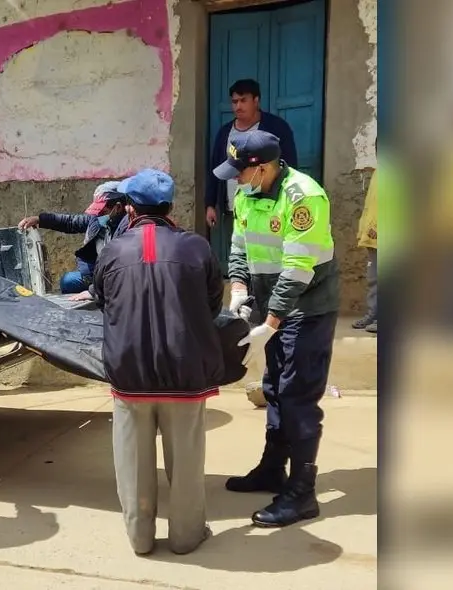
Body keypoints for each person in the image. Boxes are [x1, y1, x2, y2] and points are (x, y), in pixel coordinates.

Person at [93, 168, 223, 555]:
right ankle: (185, 537)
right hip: (185, 375)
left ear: (130, 209)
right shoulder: (196, 247)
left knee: (132, 466)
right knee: (186, 464)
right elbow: (212, 304)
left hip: (130, 376)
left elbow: (102, 301)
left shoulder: (113, 250)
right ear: (170, 206)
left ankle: (140, 538)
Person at [213, 130, 340, 528]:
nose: (235, 179)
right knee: (274, 389)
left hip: (308, 308)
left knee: (297, 395)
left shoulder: (304, 197)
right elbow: (239, 246)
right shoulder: (247, 193)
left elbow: (298, 270)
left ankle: (303, 493)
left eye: (240, 171)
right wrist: (237, 289)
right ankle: (273, 469)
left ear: (264, 168)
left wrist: (269, 323)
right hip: (274, 308)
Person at [207, 79, 298, 274]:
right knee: (239, 252)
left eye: (243, 100)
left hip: (269, 206)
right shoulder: (225, 133)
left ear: (256, 100)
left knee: (268, 255)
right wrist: (210, 204)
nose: (237, 106)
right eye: (234, 102)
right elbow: (214, 168)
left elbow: (289, 165)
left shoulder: (276, 128)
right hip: (235, 206)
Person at [17, 181, 121, 293]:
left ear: (118, 208)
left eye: (103, 211)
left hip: (114, 278)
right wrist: (40, 220)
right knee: (67, 281)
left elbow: (122, 272)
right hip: (95, 274)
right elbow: (70, 222)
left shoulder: (127, 230)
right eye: (97, 211)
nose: (98, 215)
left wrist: (93, 292)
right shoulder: (96, 220)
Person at [352, 165, 378, 333]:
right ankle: (373, 314)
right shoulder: (378, 174)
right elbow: (371, 206)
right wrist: (364, 230)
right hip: (373, 237)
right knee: (374, 278)